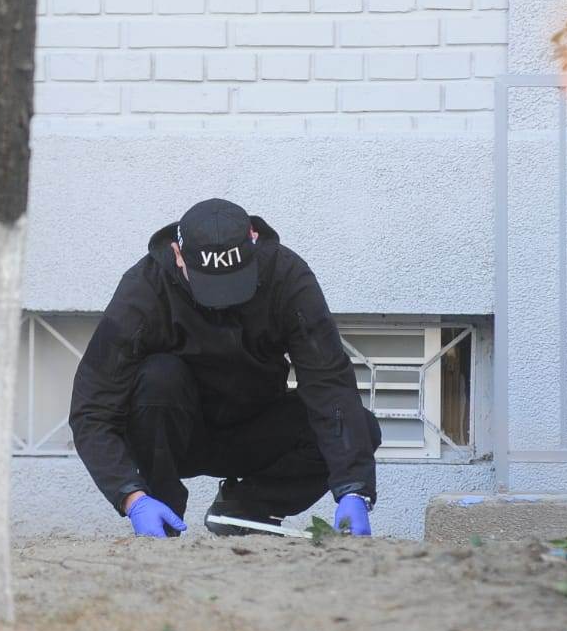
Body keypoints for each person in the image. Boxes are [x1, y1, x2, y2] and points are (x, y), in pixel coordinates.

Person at [69, 198, 382, 538]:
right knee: (158, 377)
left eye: (235, 283)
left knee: (360, 426)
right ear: (177, 255)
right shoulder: (143, 290)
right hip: (175, 434)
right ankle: (162, 518)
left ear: (253, 241)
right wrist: (132, 497)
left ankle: (243, 509)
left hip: (255, 430)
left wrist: (354, 489)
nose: (224, 300)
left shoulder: (288, 277)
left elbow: (329, 384)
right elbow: (92, 410)